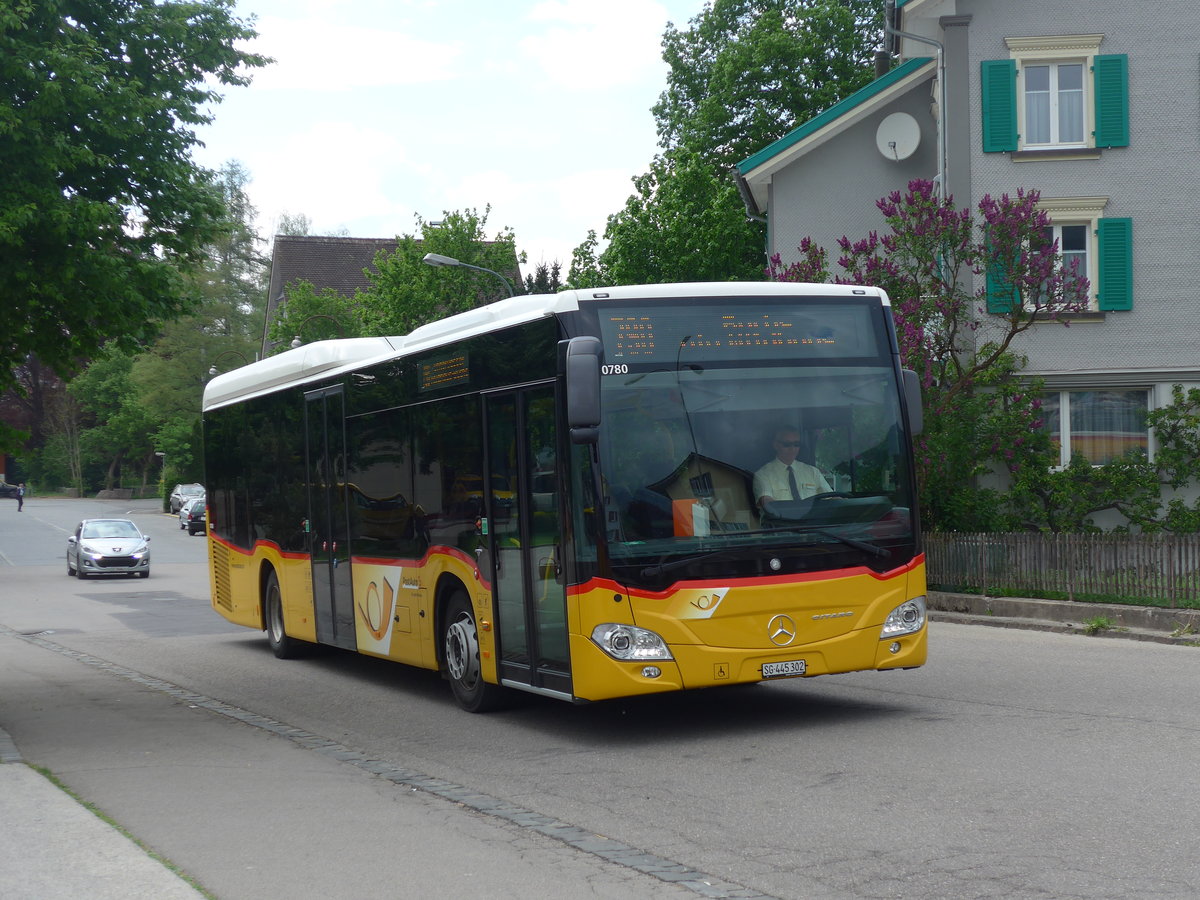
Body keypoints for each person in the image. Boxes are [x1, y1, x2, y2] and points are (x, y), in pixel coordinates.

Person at [753, 427, 830, 512]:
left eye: (796, 444)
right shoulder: (763, 475)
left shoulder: (813, 472)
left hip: (814, 523)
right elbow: (767, 504)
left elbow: (832, 498)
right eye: (787, 444)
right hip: (782, 524)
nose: (792, 449)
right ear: (776, 445)